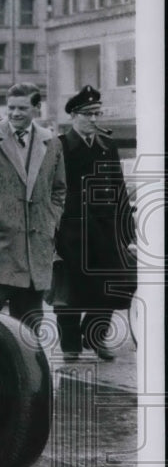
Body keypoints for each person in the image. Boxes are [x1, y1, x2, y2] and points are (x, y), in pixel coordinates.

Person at [0, 83, 66, 333]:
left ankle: (27, 369)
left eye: (22, 108)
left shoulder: (51, 143)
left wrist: (50, 220)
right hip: (1, 243)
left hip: (36, 245)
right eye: (11, 108)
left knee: (31, 317)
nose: (15, 113)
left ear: (36, 108)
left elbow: (59, 189)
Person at [53, 86, 136, 360]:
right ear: (74, 116)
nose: (93, 119)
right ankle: (70, 346)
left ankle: (96, 336)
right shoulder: (60, 146)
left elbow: (119, 189)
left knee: (109, 286)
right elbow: (50, 191)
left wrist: (127, 230)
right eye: (88, 114)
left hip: (105, 231)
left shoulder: (106, 145)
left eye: (97, 113)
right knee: (70, 291)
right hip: (70, 231)